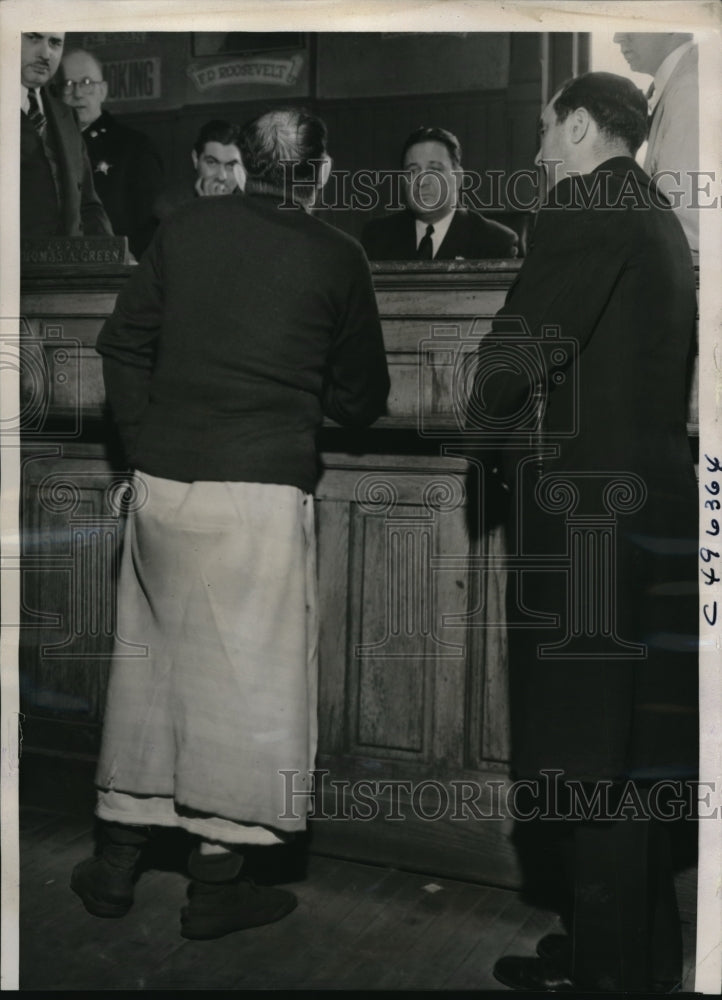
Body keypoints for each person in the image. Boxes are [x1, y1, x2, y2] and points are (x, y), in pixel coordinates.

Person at [70, 107, 390, 940]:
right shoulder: (338, 254)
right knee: (249, 695)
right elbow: (362, 400)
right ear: (318, 174)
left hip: (162, 485)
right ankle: (217, 884)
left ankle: (114, 864)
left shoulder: (183, 229)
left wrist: (144, 445)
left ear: (244, 166)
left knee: (151, 677)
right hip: (258, 495)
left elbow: (121, 344)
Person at [465, 72, 698, 993]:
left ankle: (603, 978)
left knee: (588, 757)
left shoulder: (585, 204)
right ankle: (633, 962)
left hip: (590, 526)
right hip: (656, 510)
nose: (535, 153)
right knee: (635, 753)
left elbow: (516, 355)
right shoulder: (659, 218)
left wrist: (479, 417)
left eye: (543, 132)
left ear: (579, 125)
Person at [59, 48, 165, 259]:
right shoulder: (51, 148)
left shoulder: (135, 146)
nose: (78, 93)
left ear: (103, 91)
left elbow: (147, 224)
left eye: (87, 83)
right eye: (68, 85)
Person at [361, 126, 518, 260]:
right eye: (413, 171)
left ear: (457, 178)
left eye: (434, 170)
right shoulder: (377, 237)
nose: (422, 181)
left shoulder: (496, 242)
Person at [20, 32, 112, 238]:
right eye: (33, 38)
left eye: (55, 42)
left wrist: (113, 257)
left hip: (67, 266)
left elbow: (88, 205)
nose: (46, 53)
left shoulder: (67, 114)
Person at [613, 32, 699, 254]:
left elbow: (687, 229)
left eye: (632, 21)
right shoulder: (681, 81)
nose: (617, 37)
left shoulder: (690, 89)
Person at [153, 119, 244, 221]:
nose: (222, 176)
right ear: (196, 159)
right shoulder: (170, 205)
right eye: (212, 163)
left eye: (231, 166)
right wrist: (207, 210)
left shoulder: (252, 202)